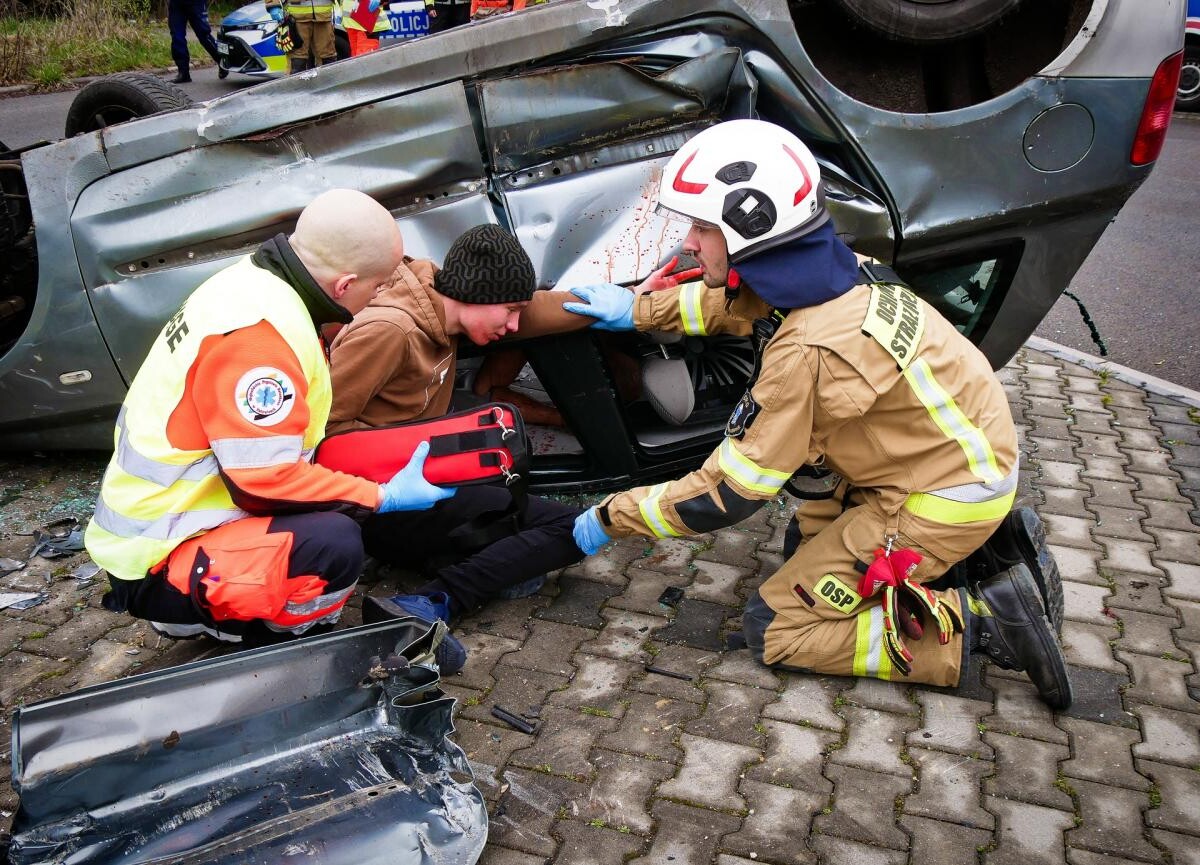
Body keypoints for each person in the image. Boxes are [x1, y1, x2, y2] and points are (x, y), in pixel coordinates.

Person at [563, 119, 1073, 709]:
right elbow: (737, 302)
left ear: (751, 229)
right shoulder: (836, 270)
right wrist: (639, 310)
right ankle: (988, 549)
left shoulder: (807, 353)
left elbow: (725, 495)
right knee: (800, 543)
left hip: (938, 497)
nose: (688, 244)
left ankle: (985, 622)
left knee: (777, 626)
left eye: (702, 228)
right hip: (956, 456)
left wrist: (607, 518)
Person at [85, 189, 455, 653]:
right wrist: (380, 497)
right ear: (344, 285)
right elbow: (263, 481)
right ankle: (283, 638)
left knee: (335, 504)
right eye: (378, 286)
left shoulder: (251, 284)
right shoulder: (260, 337)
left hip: (176, 525)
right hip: (158, 559)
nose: (380, 296)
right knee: (334, 543)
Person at [326, 224, 594, 662]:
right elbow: (322, 432)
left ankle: (455, 560)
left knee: (529, 534)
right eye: (508, 311)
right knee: (569, 527)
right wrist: (390, 488)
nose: (513, 326)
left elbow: (538, 310)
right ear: (477, 295)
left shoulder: (443, 304)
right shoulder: (391, 330)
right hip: (385, 498)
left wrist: (638, 302)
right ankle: (430, 602)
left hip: (421, 481)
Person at [267, 0, 337, 73]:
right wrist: (273, 5)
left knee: (328, 56)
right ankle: (296, 83)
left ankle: (329, 83)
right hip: (295, 18)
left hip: (324, 15)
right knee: (297, 59)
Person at [167, 0, 221, 84]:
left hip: (196, 3)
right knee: (177, 37)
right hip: (176, 4)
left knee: (203, 35)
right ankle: (183, 72)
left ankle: (221, 62)